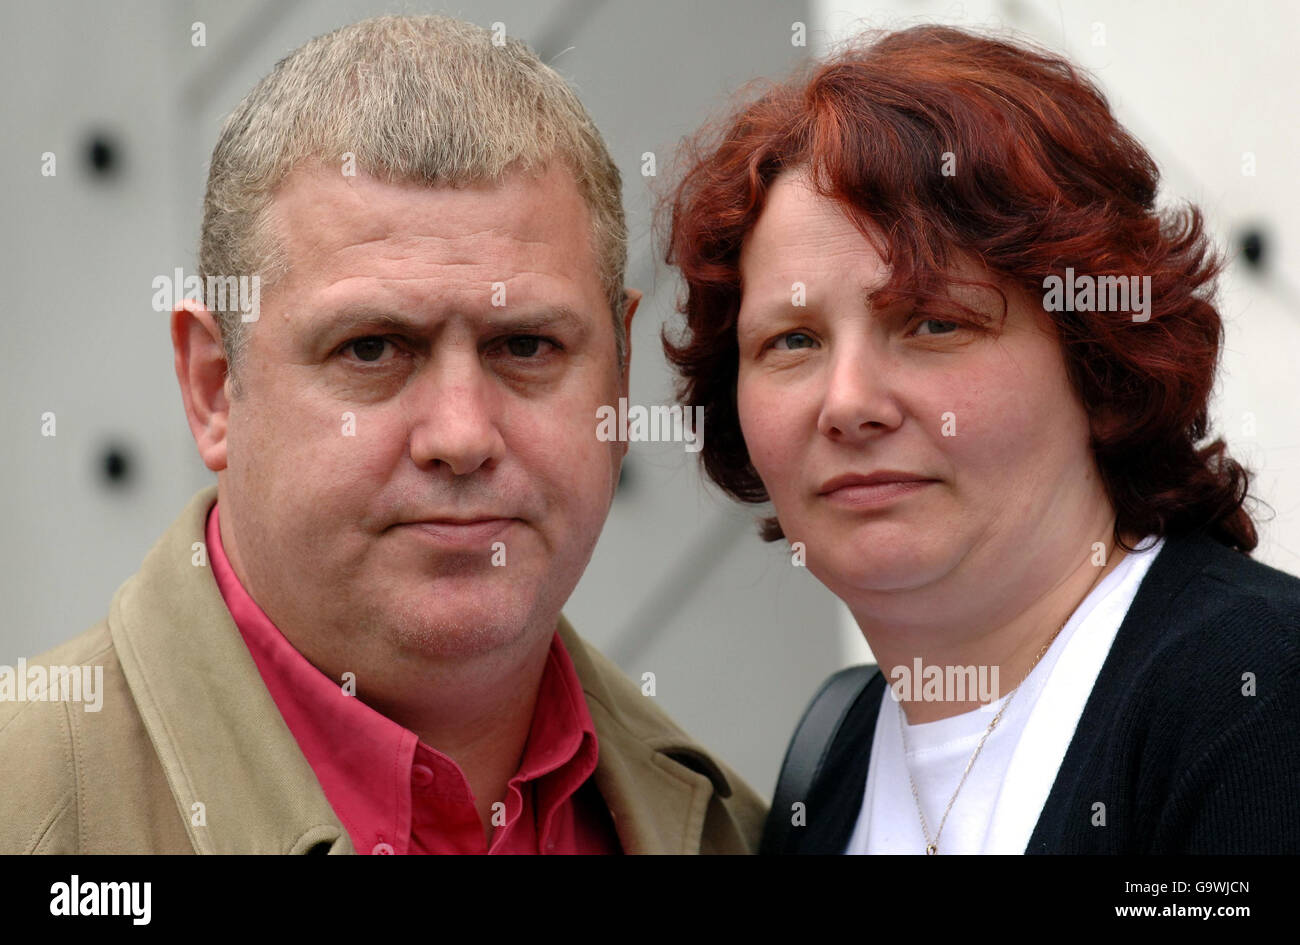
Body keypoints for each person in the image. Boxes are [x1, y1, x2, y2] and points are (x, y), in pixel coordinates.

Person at [0, 14, 764, 855]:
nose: (463, 434)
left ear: (619, 379)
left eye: (526, 347)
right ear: (214, 386)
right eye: (371, 348)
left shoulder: (733, 832)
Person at [662, 24, 1300, 854]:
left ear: (1098, 360)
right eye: (793, 340)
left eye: (933, 322)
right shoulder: (829, 768)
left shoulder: (1260, 702)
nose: (848, 403)